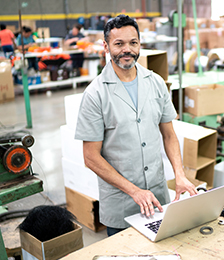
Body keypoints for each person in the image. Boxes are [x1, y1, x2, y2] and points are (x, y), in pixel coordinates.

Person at [74, 14, 197, 237]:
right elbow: (90, 157)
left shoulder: (156, 82)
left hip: (158, 195)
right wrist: (135, 191)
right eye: (119, 44)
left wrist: (179, 174)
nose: (127, 49)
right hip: (122, 203)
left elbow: (169, 135)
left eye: (133, 42)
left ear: (140, 44)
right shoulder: (95, 94)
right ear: (106, 46)